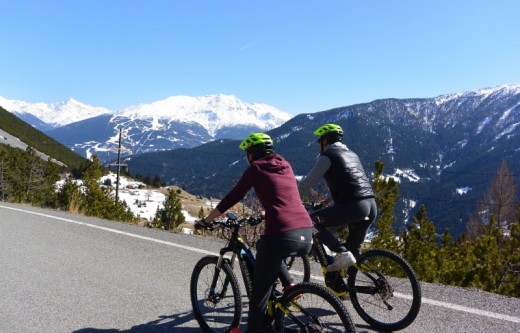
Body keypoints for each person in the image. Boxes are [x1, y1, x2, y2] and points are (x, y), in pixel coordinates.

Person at [196, 133, 313, 333]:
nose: (246, 157)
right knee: (263, 245)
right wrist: (267, 212)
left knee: (259, 294)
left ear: (253, 153)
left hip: (281, 234)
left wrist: (207, 220)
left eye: (247, 153)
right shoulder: (285, 165)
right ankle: (289, 286)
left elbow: (233, 197)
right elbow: (286, 196)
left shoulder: (256, 169)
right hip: (306, 231)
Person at [299, 123, 377, 271]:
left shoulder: (327, 156)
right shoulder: (352, 154)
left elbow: (305, 184)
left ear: (325, 140)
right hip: (371, 205)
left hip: (355, 206)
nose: (318, 145)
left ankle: (340, 252)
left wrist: (290, 200)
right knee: (354, 250)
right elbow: (351, 184)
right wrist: (327, 202)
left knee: (310, 222)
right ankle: (349, 289)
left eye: (319, 141)